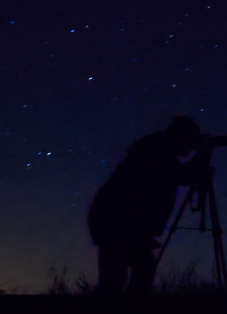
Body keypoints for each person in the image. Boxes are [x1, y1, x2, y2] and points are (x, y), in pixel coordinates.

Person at [88, 115, 208, 295]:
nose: (191, 148)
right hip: (115, 221)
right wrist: (204, 154)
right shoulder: (160, 152)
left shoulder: (156, 147)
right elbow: (185, 176)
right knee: (119, 277)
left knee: (137, 269)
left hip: (115, 220)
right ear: (181, 136)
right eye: (190, 142)